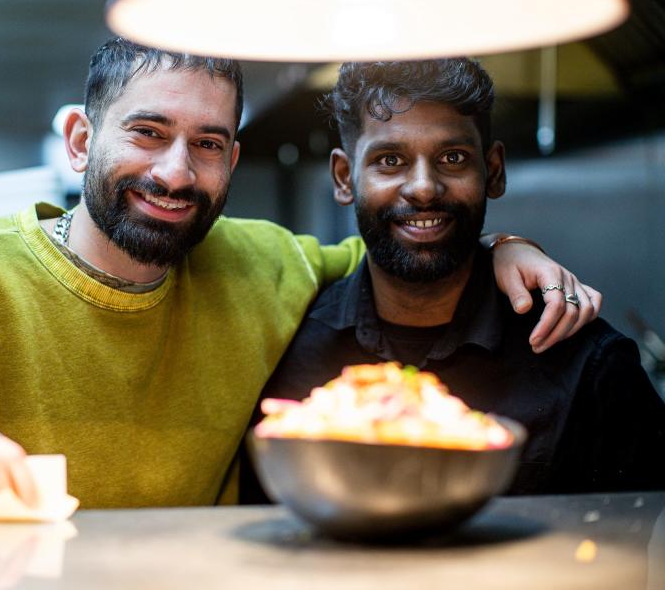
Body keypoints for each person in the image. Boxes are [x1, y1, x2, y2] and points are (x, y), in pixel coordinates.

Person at [0, 40, 599, 517]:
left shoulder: (265, 265)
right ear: (79, 142)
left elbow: (398, 250)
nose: (176, 173)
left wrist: (501, 246)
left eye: (208, 144)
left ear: (231, 159)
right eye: (146, 133)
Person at [249, 58, 665, 498]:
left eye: (452, 157)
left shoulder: (588, 364)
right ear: (344, 177)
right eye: (390, 160)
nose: (424, 188)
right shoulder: (287, 351)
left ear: (494, 170)